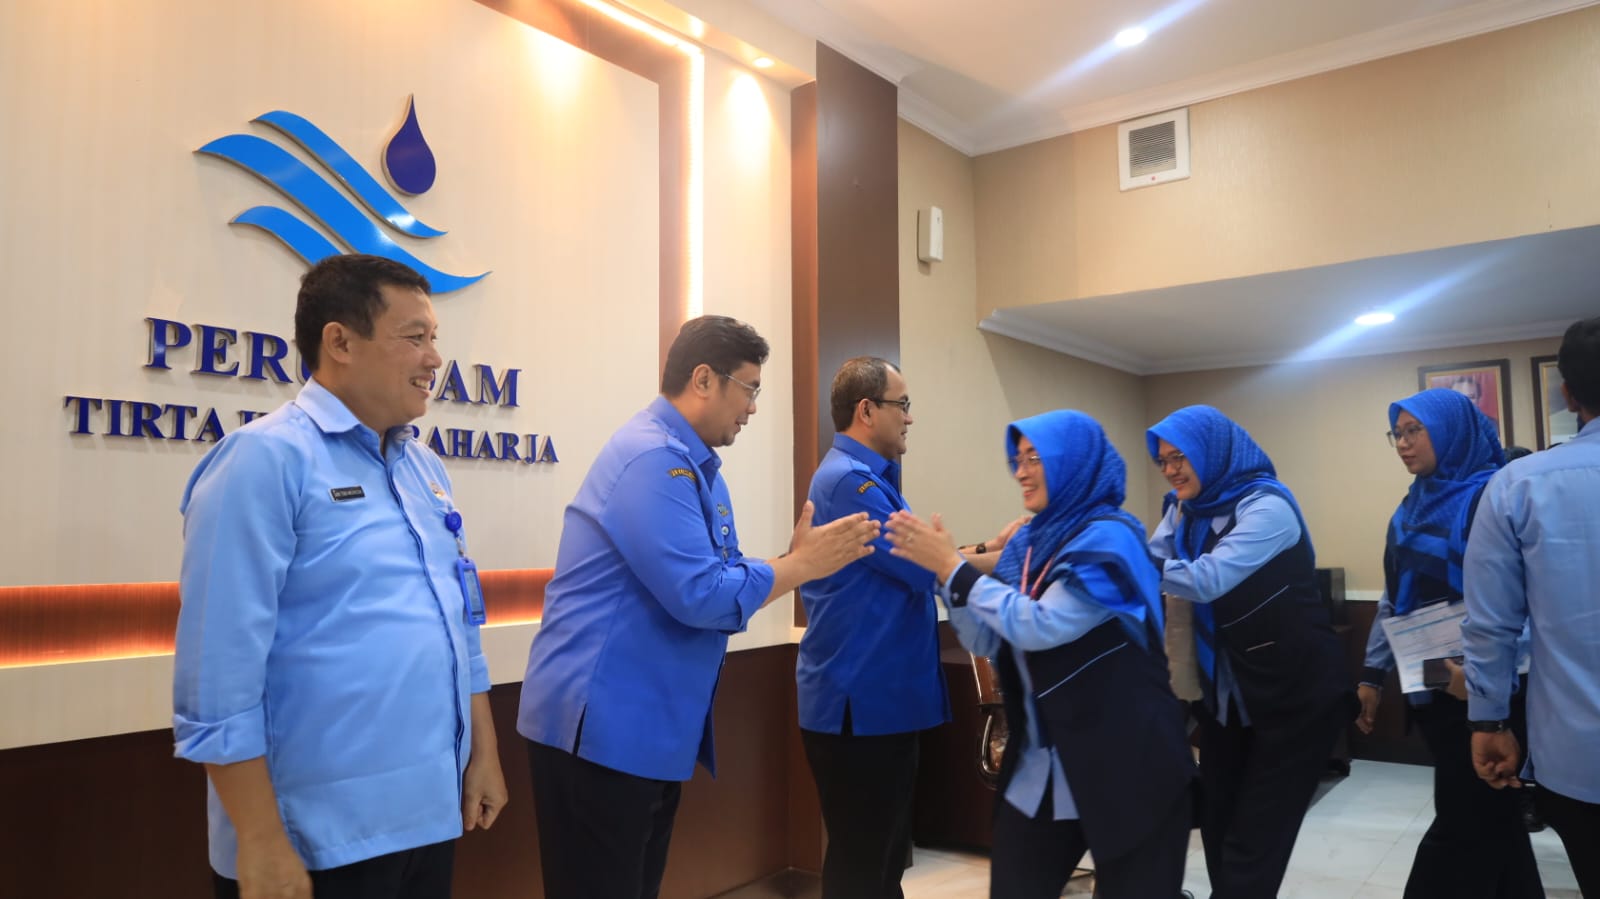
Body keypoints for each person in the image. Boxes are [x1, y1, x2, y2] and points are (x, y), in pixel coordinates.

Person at [172, 254, 508, 899]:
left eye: (434, 337)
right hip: (316, 842)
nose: (434, 358)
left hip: (429, 817)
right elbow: (216, 677)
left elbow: (458, 630)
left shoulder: (424, 469)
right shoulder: (265, 460)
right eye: (414, 337)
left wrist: (483, 754)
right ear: (340, 342)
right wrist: (259, 839)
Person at [516, 315, 881, 899]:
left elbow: (721, 576)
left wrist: (788, 564)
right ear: (704, 379)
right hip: (601, 727)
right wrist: (798, 566)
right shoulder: (651, 460)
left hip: (646, 726)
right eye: (750, 389)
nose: (753, 408)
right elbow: (701, 595)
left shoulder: (697, 467)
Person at [885, 411, 1195, 899]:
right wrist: (947, 579)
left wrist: (954, 567)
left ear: (1073, 463)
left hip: (1127, 761)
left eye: (1035, 459)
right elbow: (987, 640)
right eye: (1018, 460)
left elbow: (1040, 625)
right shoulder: (1031, 541)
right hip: (1044, 763)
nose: (1022, 472)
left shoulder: (1111, 537)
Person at [1146, 405, 1350, 899]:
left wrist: (1118, 558)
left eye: (1180, 457)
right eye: (1163, 461)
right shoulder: (1183, 510)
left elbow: (1208, 579)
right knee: (1218, 821)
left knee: (1256, 838)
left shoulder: (1268, 506)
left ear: (1211, 452)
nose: (1171, 470)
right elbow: (1152, 561)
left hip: (1295, 694)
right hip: (1227, 694)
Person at [1354, 388, 1541, 898]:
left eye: (1415, 431)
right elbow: (1395, 596)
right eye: (1397, 433)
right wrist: (1373, 673)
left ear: (1449, 431)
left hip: (1493, 685)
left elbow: (1524, 600)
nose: (1403, 443)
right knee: (1490, 816)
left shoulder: (1493, 496)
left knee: (1463, 822)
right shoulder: (1410, 506)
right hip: (1431, 678)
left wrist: (1479, 681)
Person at [796, 357, 947, 899]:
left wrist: (975, 553)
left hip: (880, 703)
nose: (909, 417)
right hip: (859, 707)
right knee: (863, 866)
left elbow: (926, 559)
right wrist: (999, 557)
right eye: (901, 405)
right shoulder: (849, 484)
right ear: (866, 410)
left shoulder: (871, 480)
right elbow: (922, 566)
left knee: (882, 865)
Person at [1462, 316, 1600, 897]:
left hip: (1579, 757)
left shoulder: (1519, 485)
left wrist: (1489, 721)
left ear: (1566, 394)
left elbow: (1491, 625)